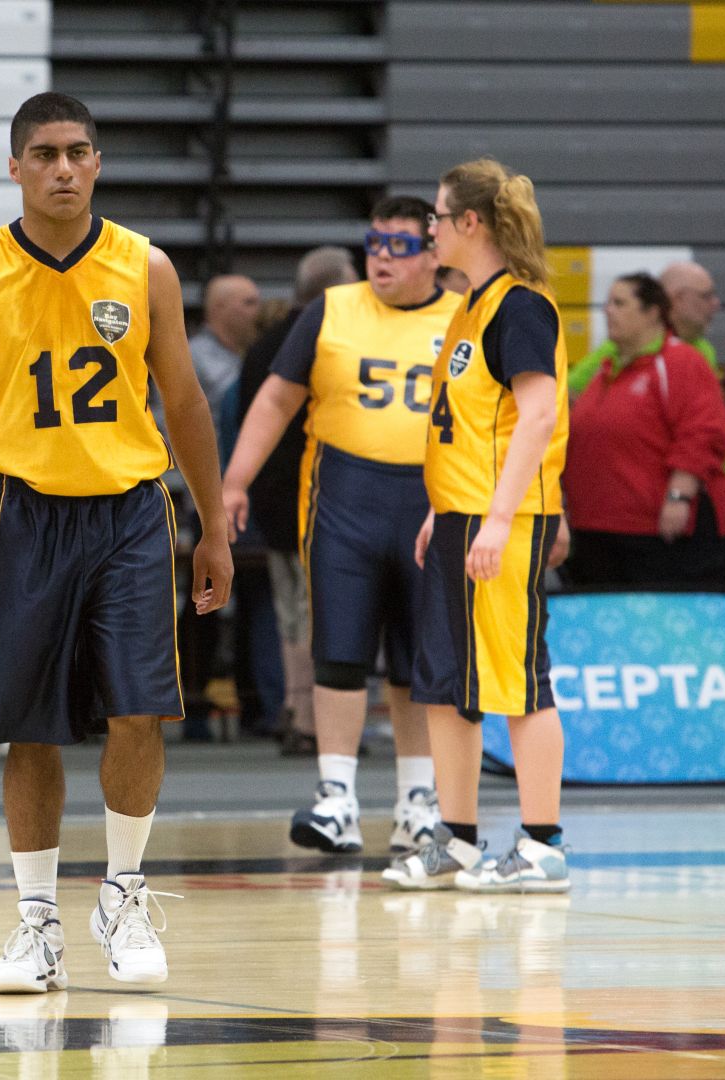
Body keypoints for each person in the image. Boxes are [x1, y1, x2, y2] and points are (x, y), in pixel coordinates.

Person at [0, 92, 232, 992]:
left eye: (78, 152)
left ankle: (124, 896)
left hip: (130, 508)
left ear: (98, 163)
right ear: (14, 167)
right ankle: (36, 923)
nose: (62, 167)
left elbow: (188, 403)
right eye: (44, 153)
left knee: (141, 710)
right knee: (30, 727)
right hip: (22, 510)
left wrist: (213, 524)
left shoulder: (147, 267)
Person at [223, 197, 463, 856]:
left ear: (434, 253)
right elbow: (275, 398)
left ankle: (419, 800)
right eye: (374, 243)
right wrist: (236, 481)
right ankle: (336, 798)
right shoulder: (331, 309)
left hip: (431, 500)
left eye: (399, 245)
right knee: (339, 652)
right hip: (343, 502)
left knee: (419, 661)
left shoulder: (466, 317)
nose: (381, 257)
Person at [384, 158, 571, 893]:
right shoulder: (470, 306)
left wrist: (496, 519)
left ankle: (543, 844)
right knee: (445, 686)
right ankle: (457, 841)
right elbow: (471, 424)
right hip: (460, 517)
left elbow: (541, 415)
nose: (428, 229)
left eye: (435, 216)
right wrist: (443, 508)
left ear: (471, 223)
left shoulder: (521, 306)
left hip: (508, 520)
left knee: (519, 683)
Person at [233, 247, 358, 755]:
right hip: (315, 496)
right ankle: (310, 720)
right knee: (315, 610)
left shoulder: (265, 342)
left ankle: (293, 704)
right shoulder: (325, 336)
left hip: (271, 498)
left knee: (290, 610)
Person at [562, 273, 725, 588]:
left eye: (620, 303)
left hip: (656, 534)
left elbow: (702, 432)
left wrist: (679, 495)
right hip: (596, 530)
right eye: (607, 303)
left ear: (653, 312)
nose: (608, 311)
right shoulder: (605, 370)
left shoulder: (680, 361)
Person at [568, 261, 723, 396]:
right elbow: (569, 392)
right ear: (677, 299)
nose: (716, 304)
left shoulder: (705, 350)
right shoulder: (624, 347)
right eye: (706, 296)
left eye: (619, 304)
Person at [190, 275, 261, 408]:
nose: (258, 311)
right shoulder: (190, 357)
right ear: (219, 306)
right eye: (249, 303)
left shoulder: (254, 353)